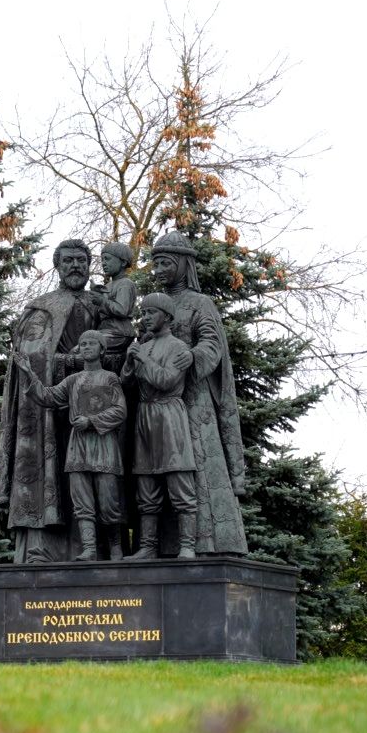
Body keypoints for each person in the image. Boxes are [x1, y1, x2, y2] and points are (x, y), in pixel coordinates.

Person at [0, 239, 107, 562]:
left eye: (82, 261)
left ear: (90, 266)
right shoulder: (42, 308)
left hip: (92, 406)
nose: (76, 266)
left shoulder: (101, 305)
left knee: (90, 477)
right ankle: (41, 548)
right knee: (50, 473)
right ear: (57, 266)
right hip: (49, 407)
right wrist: (66, 362)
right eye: (69, 260)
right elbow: (27, 357)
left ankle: (94, 548)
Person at [146, 231, 249, 555]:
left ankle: (208, 542)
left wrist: (192, 355)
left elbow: (212, 342)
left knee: (196, 468)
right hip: (159, 401)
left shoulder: (199, 303)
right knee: (159, 471)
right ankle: (165, 545)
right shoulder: (155, 304)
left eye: (165, 263)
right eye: (156, 264)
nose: (159, 270)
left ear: (182, 264)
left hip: (193, 400)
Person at [21, 331, 126, 560]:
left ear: (101, 349)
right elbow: (48, 397)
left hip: (104, 445)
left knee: (109, 503)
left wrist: (91, 421)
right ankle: (89, 549)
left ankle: (116, 547)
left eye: (91, 344)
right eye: (82, 344)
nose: (86, 347)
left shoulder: (110, 378)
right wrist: (30, 374)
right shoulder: (72, 380)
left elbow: (120, 411)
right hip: (77, 447)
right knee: (82, 501)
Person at [120, 294, 197, 559]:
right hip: (145, 415)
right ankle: (148, 547)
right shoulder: (144, 345)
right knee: (146, 481)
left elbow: (166, 380)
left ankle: (187, 545)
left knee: (178, 476)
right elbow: (126, 384)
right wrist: (130, 362)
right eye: (144, 313)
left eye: (152, 312)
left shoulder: (178, 348)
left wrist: (142, 359)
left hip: (169, 415)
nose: (146, 318)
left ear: (166, 315)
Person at [92, 241, 139, 371]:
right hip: (105, 331)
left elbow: (122, 309)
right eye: (102, 260)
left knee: (86, 349)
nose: (103, 263)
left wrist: (101, 301)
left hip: (119, 333)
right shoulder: (106, 287)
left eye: (107, 259)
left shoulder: (125, 284)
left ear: (123, 262)